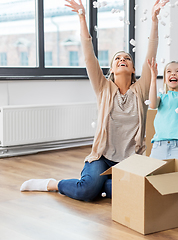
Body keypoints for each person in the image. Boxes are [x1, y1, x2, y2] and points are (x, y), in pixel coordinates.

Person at [20, 0, 169, 201]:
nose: (122, 59)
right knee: (87, 192)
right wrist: (82, 17)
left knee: (138, 191)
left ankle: (99, 183)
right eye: (117, 59)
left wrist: (154, 20)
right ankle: (53, 184)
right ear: (112, 69)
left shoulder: (141, 89)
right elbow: (89, 57)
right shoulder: (103, 88)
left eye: (127, 58)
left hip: (130, 161)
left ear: (133, 68)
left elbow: (151, 54)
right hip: (103, 157)